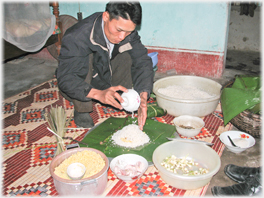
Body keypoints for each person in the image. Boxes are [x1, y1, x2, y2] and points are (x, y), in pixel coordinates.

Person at [56, 2, 154, 130]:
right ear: (106, 17)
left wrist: (143, 96)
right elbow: (66, 78)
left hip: (104, 69)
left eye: (128, 32)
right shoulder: (77, 36)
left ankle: (117, 94)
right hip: (84, 80)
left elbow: (142, 61)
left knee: (128, 54)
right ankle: (82, 109)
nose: (122, 36)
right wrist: (98, 94)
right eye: (119, 30)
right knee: (87, 57)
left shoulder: (127, 33)